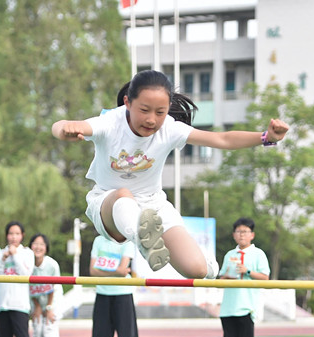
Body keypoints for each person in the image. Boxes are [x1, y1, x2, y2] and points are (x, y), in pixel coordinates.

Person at [51, 70, 288, 279]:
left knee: (196, 270)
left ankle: (195, 260)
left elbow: (222, 139)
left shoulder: (170, 128)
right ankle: (144, 242)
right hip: (108, 203)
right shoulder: (110, 122)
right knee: (123, 195)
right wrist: (65, 128)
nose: (151, 120)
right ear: (127, 102)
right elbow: (62, 125)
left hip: (153, 206)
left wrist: (266, 137)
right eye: (144, 110)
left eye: (160, 112)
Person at [218, 218, 270, 337]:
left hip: (247, 306)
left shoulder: (258, 254)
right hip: (228, 307)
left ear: (252, 235)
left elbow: (265, 277)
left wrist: (247, 271)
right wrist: (226, 277)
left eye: (245, 232)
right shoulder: (229, 255)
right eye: (238, 232)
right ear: (234, 235)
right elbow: (221, 277)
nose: (241, 235)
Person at [83, 235, 139, 337]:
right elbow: (92, 271)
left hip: (123, 294)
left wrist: (106, 272)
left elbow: (123, 271)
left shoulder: (127, 241)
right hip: (102, 294)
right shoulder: (98, 240)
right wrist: (116, 272)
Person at [0, 221, 37, 337]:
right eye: (11, 234)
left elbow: (26, 273)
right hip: (2, 303)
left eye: (17, 234)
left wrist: (15, 255)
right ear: (6, 235)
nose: (13, 237)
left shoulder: (27, 253)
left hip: (19, 304)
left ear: (22, 236)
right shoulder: (0, 253)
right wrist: (4, 258)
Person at [28, 233, 61, 337]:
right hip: (36, 305)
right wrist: (36, 306)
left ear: (46, 248)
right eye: (35, 244)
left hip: (52, 304)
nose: (38, 247)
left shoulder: (52, 265)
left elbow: (54, 287)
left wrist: (49, 307)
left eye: (41, 244)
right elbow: (29, 286)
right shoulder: (27, 264)